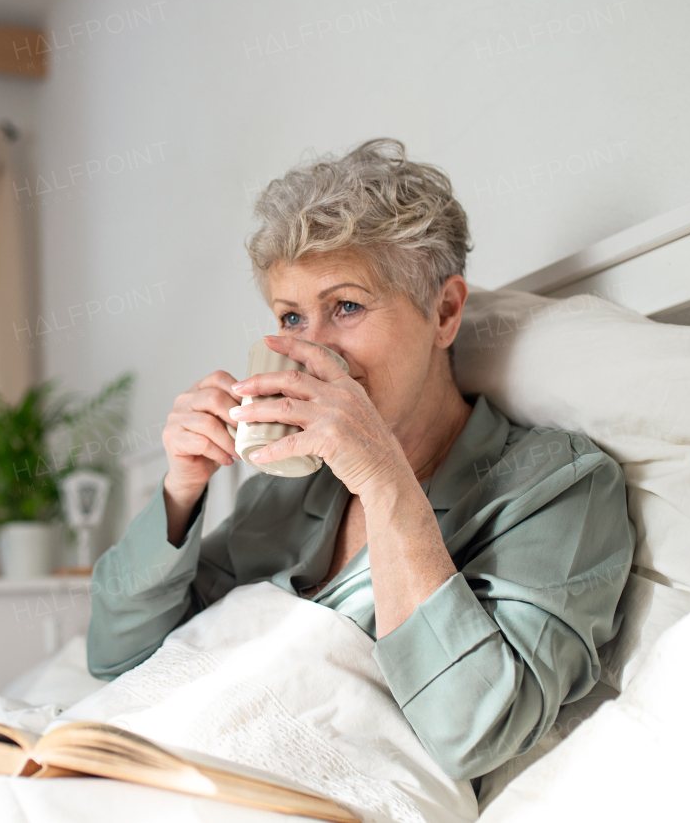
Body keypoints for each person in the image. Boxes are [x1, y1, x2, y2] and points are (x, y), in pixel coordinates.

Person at [85, 138, 635, 783]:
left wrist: (383, 480)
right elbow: (116, 657)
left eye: (345, 306)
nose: (310, 348)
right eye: (291, 316)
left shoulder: (557, 485)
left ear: (446, 311)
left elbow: (475, 732)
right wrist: (182, 490)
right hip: (159, 759)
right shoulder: (291, 484)